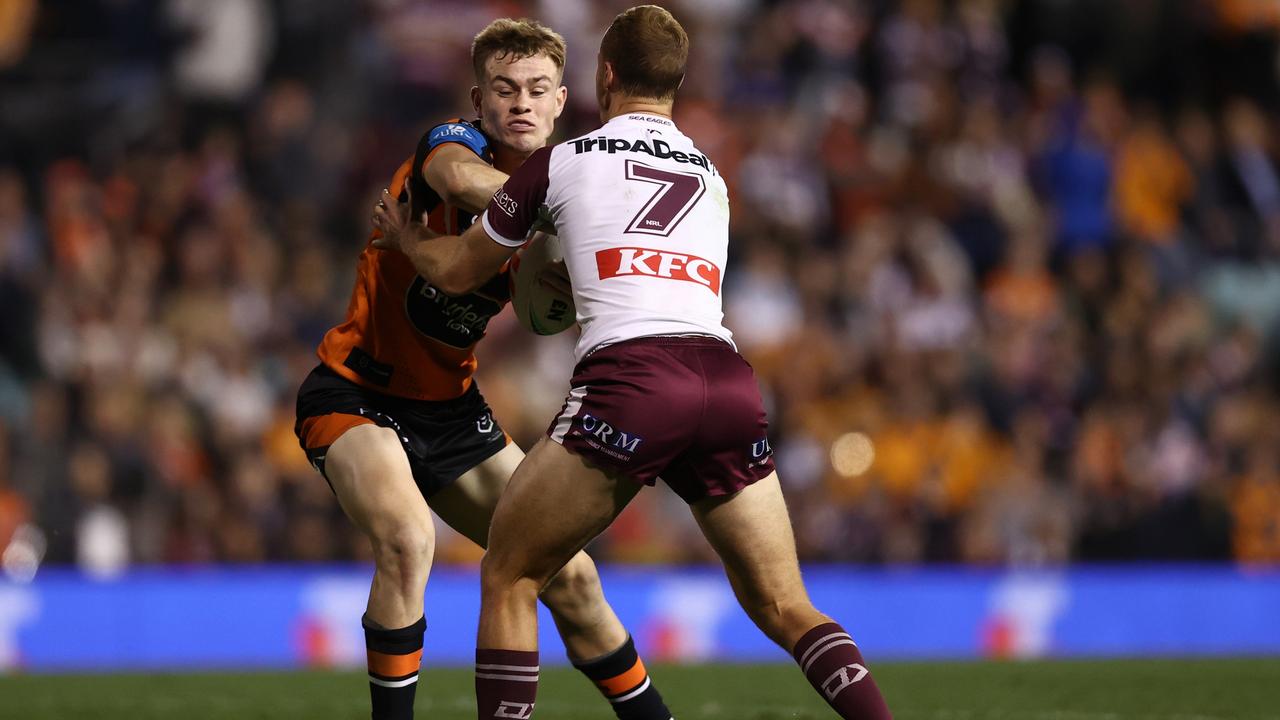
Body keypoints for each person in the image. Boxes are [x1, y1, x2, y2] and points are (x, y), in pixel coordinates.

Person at [372, 6, 895, 719]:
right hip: (727, 382)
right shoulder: (712, 175)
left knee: (511, 571)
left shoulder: (564, 160)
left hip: (633, 381)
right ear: (677, 82)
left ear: (603, 75)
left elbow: (462, 272)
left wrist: (410, 243)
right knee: (784, 603)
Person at [297, 18, 673, 720]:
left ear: (563, 102)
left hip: (451, 410)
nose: (520, 104)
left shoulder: (570, 185)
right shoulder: (453, 146)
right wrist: (562, 217)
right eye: (504, 90)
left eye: (537, 90)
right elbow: (462, 181)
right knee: (408, 538)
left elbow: (554, 311)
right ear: (478, 100)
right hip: (354, 393)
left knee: (576, 582)